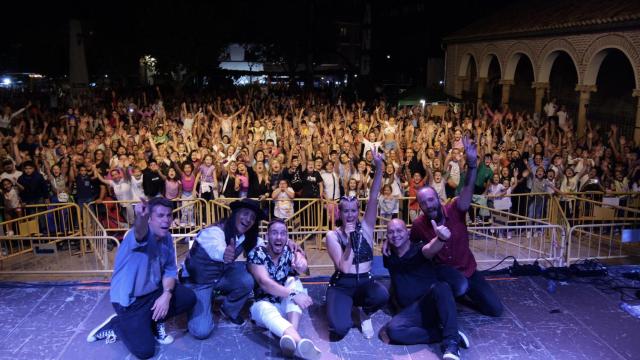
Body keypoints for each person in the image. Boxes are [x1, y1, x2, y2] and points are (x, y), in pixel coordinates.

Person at [86, 197, 196, 359]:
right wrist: (141, 218)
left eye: (168, 215)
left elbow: (170, 270)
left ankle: (155, 320)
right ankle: (117, 324)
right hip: (130, 302)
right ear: (150, 218)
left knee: (188, 297)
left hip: (153, 292)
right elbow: (140, 232)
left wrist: (166, 295)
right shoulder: (137, 235)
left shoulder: (166, 238)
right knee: (145, 351)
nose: (166, 220)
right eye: (160, 215)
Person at [410, 136, 503, 317]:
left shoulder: (455, 209)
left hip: (468, 269)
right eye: (423, 203)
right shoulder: (419, 224)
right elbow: (411, 247)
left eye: (430, 200)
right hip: (442, 272)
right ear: (420, 206)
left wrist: (472, 165)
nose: (428, 205)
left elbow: (467, 189)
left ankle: (462, 293)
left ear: (438, 199)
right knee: (459, 286)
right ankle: (448, 292)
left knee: (495, 309)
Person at [325, 147, 389, 341]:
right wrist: (352, 241)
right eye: (346, 211)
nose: (351, 214)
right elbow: (344, 267)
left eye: (354, 210)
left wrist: (379, 168)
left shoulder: (367, 227)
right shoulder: (332, 235)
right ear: (340, 213)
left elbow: (373, 196)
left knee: (382, 295)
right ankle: (344, 306)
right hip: (342, 284)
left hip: (365, 282)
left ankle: (364, 313)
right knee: (339, 329)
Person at [384, 219, 469, 360]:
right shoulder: (388, 256)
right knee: (393, 331)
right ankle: (447, 333)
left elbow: (430, 248)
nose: (395, 235)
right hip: (412, 312)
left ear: (408, 233)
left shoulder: (419, 249)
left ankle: (451, 344)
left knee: (441, 287)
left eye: (399, 231)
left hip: (430, 306)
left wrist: (441, 238)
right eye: (391, 232)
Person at [181, 198, 265, 339]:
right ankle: (199, 302)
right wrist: (224, 253)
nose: (248, 219)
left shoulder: (245, 237)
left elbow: (264, 244)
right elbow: (216, 248)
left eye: (252, 217)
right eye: (245, 213)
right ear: (236, 213)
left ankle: (229, 309)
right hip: (198, 281)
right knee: (201, 331)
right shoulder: (214, 231)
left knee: (248, 279)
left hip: (220, 275)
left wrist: (289, 243)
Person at [247, 219, 321, 359]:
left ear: (287, 237)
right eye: (274, 233)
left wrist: (301, 263)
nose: (279, 237)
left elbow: (305, 269)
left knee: (294, 280)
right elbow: (264, 282)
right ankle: (299, 341)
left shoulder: (289, 251)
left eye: (283, 233)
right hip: (264, 308)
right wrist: (293, 294)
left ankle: (290, 340)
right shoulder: (257, 254)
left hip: (284, 306)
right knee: (264, 308)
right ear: (267, 236)